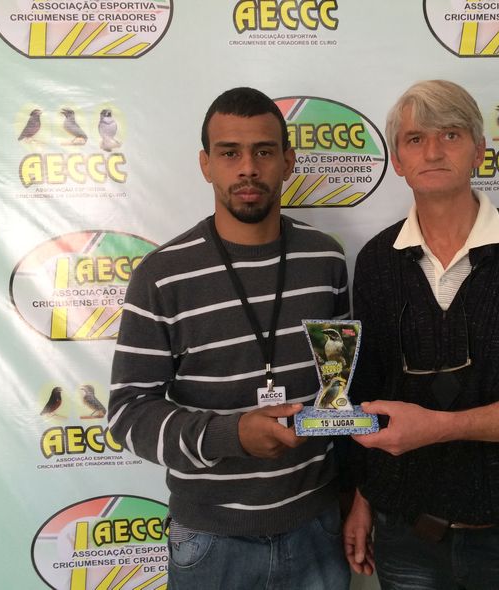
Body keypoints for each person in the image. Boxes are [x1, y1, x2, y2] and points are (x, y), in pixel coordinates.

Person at [343, 80, 499, 589]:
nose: (433, 151)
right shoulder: (375, 262)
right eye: (415, 139)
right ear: (397, 160)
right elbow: (367, 395)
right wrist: (360, 498)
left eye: (451, 135)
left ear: (479, 150)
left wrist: (439, 426)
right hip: (405, 538)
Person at [108, 87, 350, 590]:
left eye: (263, 151)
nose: (248, 168)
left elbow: (340, 388)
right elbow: (128, 413)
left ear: (288, 161)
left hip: (318, 528)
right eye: (229, 153)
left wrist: (357, 493)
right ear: (206, 164)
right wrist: (231, 435)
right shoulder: (162, 277)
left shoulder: (325, 260)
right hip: (211, 541)